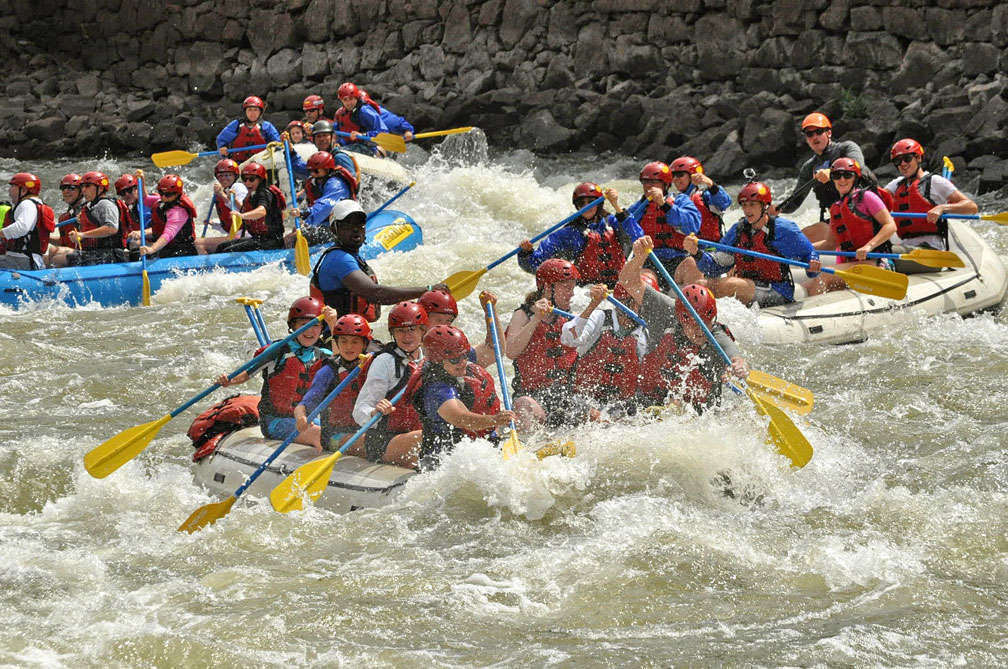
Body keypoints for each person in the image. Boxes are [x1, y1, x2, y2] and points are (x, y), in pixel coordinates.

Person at [619, 237, 748, 413]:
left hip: (698, 414)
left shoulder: (717, 336)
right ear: (681, 318)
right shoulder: (667, 311)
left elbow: (735, 357)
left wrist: (740, 366)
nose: (701, 330)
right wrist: (639, 257)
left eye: (706, 323)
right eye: (694, 324)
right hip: (648, 402)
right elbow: (628, 281)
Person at [679, 181, 821, 307]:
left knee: (728, 285)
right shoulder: (738, 230)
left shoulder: (783, 229)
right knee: (701, 285)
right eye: (744, 205)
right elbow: (714, 268)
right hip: (748, 286)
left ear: (764, 206)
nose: (747, 210)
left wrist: (813, 265)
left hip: (776, 290)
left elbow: (809, 255)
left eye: (752, 205)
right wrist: (696, 253)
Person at [217, 297, 330, 451]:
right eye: (304, 325)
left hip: (308, 419)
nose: (310, 330)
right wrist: (229, 380)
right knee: (320, 435)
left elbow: (343, 362)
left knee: (334, 433)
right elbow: (247, 373)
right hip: (275, 421)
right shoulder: (277, 351)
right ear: (293, 326)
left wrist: (333, 322)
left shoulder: (322, 354)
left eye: (315, 326)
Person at [310, 200, 439, 321]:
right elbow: (374, 293)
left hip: (352, 332)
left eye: (359, 223)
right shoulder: (339, 259)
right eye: (347, 224)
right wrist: (426, 290)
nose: (355, 229)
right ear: (334, 229)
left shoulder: (351, 256)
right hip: (338, 336)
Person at [414, 325, 516, 471]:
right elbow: (461, 418)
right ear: (438, 360)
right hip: (445, 461)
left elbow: (495, 350)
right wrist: (495, 420)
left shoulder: (458, 360)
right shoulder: (436, 389)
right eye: (455, 360)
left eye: (465, 356)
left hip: (477, 448)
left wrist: (490, 310)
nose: (462, 362)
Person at [773, 112, 877, 243]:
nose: (815, 137)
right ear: (806, 139)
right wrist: (778, 209)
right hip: (838, 219)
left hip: (863, 214)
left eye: (819, 131)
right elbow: (795, 201)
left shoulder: (847, 148)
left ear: (829, 133)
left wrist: (832, 173)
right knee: (800, 237)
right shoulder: (808, 167)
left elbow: (858, 166)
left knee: (806, 236)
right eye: (810, 134)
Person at [505, 258, 581, 432]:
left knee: (594, 415)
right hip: (532, 396)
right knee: (524, 406)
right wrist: (536, 318)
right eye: (566, 288)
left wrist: (594, 305)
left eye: (573, 287)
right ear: (548, 288)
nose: (572, 294)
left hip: (565, 396)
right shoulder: (523, 315)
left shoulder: (572, 318)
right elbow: (511, 352)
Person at [804, 157, 898, 296]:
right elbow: (830, 244)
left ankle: (814, 314)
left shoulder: (867, 197)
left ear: (855, 177)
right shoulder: (836, 207)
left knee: (823, 276)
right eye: (837, 176)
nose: (842, 180)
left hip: (876, 263)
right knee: (806, 285)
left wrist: (869, 246)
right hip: (853, 265)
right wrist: (802, 249)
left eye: (847, 175)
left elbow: (890, 226)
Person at [517, 183, 635, 289]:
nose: (586, 206)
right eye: (581, 203)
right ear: (577, 206)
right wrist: (526, 253)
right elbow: (537, 265)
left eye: (591, 202)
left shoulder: (614, 222)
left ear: (599, 204)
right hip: (587, 290)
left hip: (619, 285)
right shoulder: (570, 233)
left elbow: (637, 237)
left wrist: (616, 206)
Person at [352, 301, 427, 466]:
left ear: (423, 331)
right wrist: (374, 412)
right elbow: (359, 410)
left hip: (413, 434)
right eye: (400, 331)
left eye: (412, 330)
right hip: (383, 440)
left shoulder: (430, 359)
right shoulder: (384, 362)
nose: (407, 336)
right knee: (429, 436)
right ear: (393, 333)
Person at [884, 138, 978, 269]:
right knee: (879, 250)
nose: (903, 164)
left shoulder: (936, 181)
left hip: (931, 253)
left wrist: (942, 207)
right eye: (898, 161)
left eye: (907, 159)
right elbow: (876, 200)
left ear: (918, 158)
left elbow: (971, 207)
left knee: (886, 254)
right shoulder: (897, 184)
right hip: (906, 247)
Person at [560, 281, 647, 411]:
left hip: (620, 406)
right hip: (582, 400)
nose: (641, 308)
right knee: (592, 414)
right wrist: (593, 304)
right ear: (624, 303)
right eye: (637, 303)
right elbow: (570, 339)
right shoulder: (599, 317)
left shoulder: (646, 331)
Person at [295, 312, 372, 453]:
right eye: (343, 341)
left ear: (364, 344)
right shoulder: (327, 372)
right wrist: (301, 417)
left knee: (375, 439)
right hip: (334, 437)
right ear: (336, 343)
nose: (349, 347)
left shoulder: (374, 367)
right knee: (371, 441)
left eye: (355, 342)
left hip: (367, 432)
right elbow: (303, 406)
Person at [628, 161, 701, 285]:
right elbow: (623, 228)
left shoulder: (681, 200)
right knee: (646, 280)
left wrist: (664, 205)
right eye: (645, 182)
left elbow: (693, 226)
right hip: (649, 260)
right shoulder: (639, 207)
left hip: (678, 258)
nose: (648, 186)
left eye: (654, 182)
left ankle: (692, 300)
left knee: (692, 265)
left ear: (665, 184)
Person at [198, 162, 286, 255]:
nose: (247, 183)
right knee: (222, 246)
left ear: (260, 179)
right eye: (245, 179)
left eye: (251, 179)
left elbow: (262, 211)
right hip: (258, 238)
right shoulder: (251, 195)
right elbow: (242, 210)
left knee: (226, 250)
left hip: (271, 241)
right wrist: (235, 200)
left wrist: (242, 215)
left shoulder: (265, 193)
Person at [285, 150, 358, 247]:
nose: (312, 174)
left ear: (327, 169)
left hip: (343, 227)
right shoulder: (318, 179)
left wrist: (305, 216)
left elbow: (326, 206)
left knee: (293, 239)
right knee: (294, 231)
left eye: (316, 171)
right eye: (310, 171)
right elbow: (299, 167)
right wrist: (291, 153)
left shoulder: (336, 184)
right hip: (330, 223)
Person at [419, 288, 505, 369]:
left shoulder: (454, 351)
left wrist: (490, 312)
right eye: (438, 320)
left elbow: (494, 351)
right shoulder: (409, 347)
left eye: (448, 321)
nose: (444, 325)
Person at [126, 172, 199, 259]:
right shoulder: (163, 201)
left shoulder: (179, 212)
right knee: (135, 244)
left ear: (177, 193)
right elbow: (145, 200)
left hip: (181, 250)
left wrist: (152, 249)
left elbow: (168, 235)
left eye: (168, 194)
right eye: (161, 193)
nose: (163, 197)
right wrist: (141, 181)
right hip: (167, 247)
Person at [66, 171, 128, 266]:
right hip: (96, 253)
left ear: (100, 188)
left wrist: (82, 235)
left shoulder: (105, 205)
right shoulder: (90, 206)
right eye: (82, 187)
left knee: (59, 256)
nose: (83, 190)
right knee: (55, 251)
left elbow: (111, 228)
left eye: (87, 186)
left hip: (110, 255)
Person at [668, 156, 730, 242]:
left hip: (711, 249)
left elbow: (725, 202)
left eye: (679, 175)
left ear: (692, 175)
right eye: (673, 176)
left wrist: (710, 184)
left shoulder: (705, 196)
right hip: (684, 250)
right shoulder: (672, 199)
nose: (675, 179)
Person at [1, 172, 53, 270]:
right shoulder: (34, 204)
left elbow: (22, 227)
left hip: (21, 260)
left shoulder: (26, 204)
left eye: (12, 187)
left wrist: (1, 233)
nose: (9, 191)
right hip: (27, 259)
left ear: (23, 190)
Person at [215, 95, 281, 162]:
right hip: (238, 163)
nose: (253, 113)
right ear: (245, 112)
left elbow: (277, 143)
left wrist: (278, 146)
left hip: (261, 162)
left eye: (255, 110)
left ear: (260, 112)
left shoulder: (266, 126)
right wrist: (223, 147)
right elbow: (221, 139)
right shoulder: (236, 125)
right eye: (250, 110)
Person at [334, 82, 391, 154]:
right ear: (341, 100)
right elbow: (339, 134)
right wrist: (338, 143)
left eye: (351, 99)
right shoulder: (340, 114)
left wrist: (363, 135)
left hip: (368, 147)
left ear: (356, 97)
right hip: (350, 146)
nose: (348, 103)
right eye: (345, 100)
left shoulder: (364, 111)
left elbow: (383, 132)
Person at [45, 173, 85, 268]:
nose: (66, 191)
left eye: (71, 188)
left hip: (88, 254)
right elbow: (63, 242)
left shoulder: (88, 210)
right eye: (63, 188)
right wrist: (45, 236)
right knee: (48, 255)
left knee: (55, 254)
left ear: (81, 191)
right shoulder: (64, 217)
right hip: (71, 253)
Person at [208, 158, 247, 235]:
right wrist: (215, 224)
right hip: (234, 234)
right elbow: (228, 226)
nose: (223, 178)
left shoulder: (238, 187)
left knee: (198, 244)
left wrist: (221, 194)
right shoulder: (224, 191)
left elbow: (243, 211)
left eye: (227, 175)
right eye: (220, 176)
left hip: (244, 233)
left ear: (235, 175)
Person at [114, 174, 149, 258]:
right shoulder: (120, 208)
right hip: (135, 242)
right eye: (123, 192)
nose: (126, 194)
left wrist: (141, 233)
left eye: (129, 190)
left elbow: (159, 228)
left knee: (135, 242)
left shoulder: (149, 203)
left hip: (155, 240)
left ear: (136, 189)